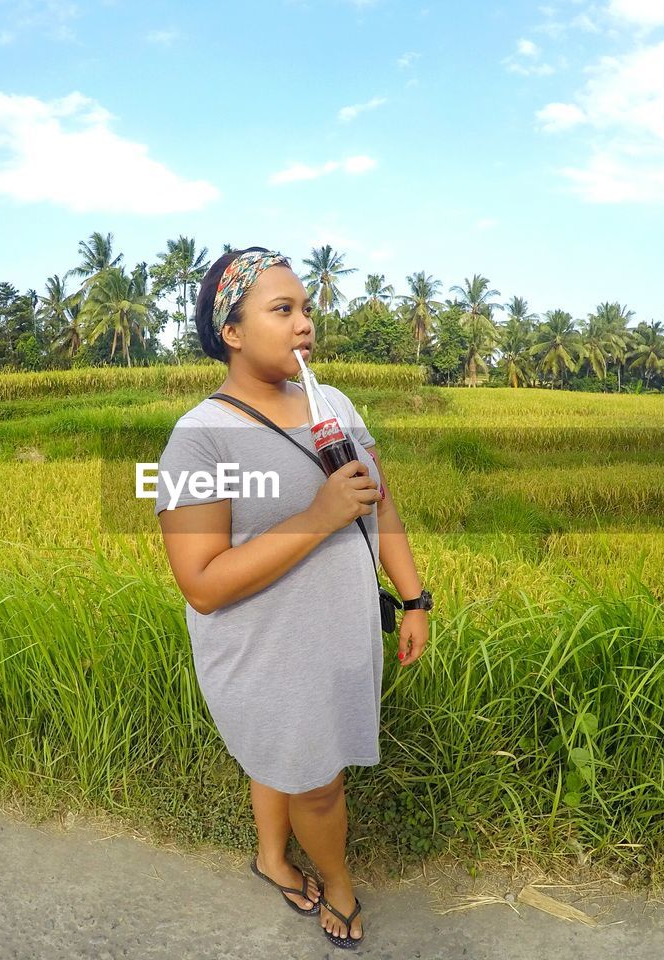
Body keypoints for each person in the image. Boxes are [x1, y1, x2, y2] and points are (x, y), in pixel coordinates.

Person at [154, 246, 430, 949]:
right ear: (232, 332)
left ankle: (271, 858)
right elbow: (202, 584)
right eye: (283, 310)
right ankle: (340, 886)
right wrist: (317, 515)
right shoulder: (194, 441)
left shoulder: (332, 402)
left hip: (337, 634)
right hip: (262, 648)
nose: (305, 323)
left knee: (279, 757)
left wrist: (415, 596)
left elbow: (378, 497)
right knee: (313, 782)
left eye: (306, 308)